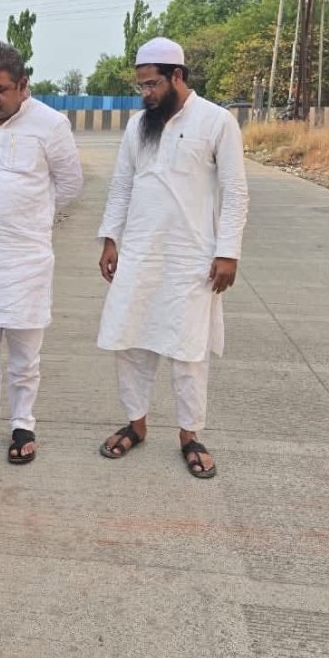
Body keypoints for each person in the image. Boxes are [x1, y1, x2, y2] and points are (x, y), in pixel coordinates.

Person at [97, 37, 249, 479]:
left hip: (191, 257)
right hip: (140, 254)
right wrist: (110, 238)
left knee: (188, 351)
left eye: (151, 85)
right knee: (131, 343)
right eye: (140, 86)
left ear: (176, 76)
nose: (145, 93)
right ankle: (136, 424)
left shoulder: (217, 122)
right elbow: (122, 185)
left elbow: (236, 192)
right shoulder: (137, 126)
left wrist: (228, 252)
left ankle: (190, 435)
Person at [0, 41, 83, 464]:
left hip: (25, 259)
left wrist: (31, 220)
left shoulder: (51, 124)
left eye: (0, 89)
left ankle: (23, 422)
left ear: (23, 85)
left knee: (25, 354)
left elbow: (70, 183)